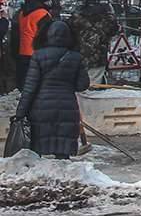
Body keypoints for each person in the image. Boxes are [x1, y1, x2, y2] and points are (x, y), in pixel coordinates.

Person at [12, 20, 89, 159]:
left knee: (38, 151)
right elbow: (82, 85)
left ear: (46, 35)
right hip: (67, 107)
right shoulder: (76, 57)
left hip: (41, 108)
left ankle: (38, 178)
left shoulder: (38, 56)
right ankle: (63, 178)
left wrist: (20, 113)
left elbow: (30, 88)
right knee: (63, 152)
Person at [69, 0, 118, 86]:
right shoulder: (105, 18)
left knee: (78, 82)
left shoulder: (76, 17)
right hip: (98, 56)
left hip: (78, 55)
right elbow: (114, 30)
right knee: (94, 82)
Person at [9, 0, 52, 90]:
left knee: (24, 85)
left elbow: (15, 35)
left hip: (22, 52)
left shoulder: (21, 14)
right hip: (38, 53)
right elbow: (47, 35)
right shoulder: (43, 14)